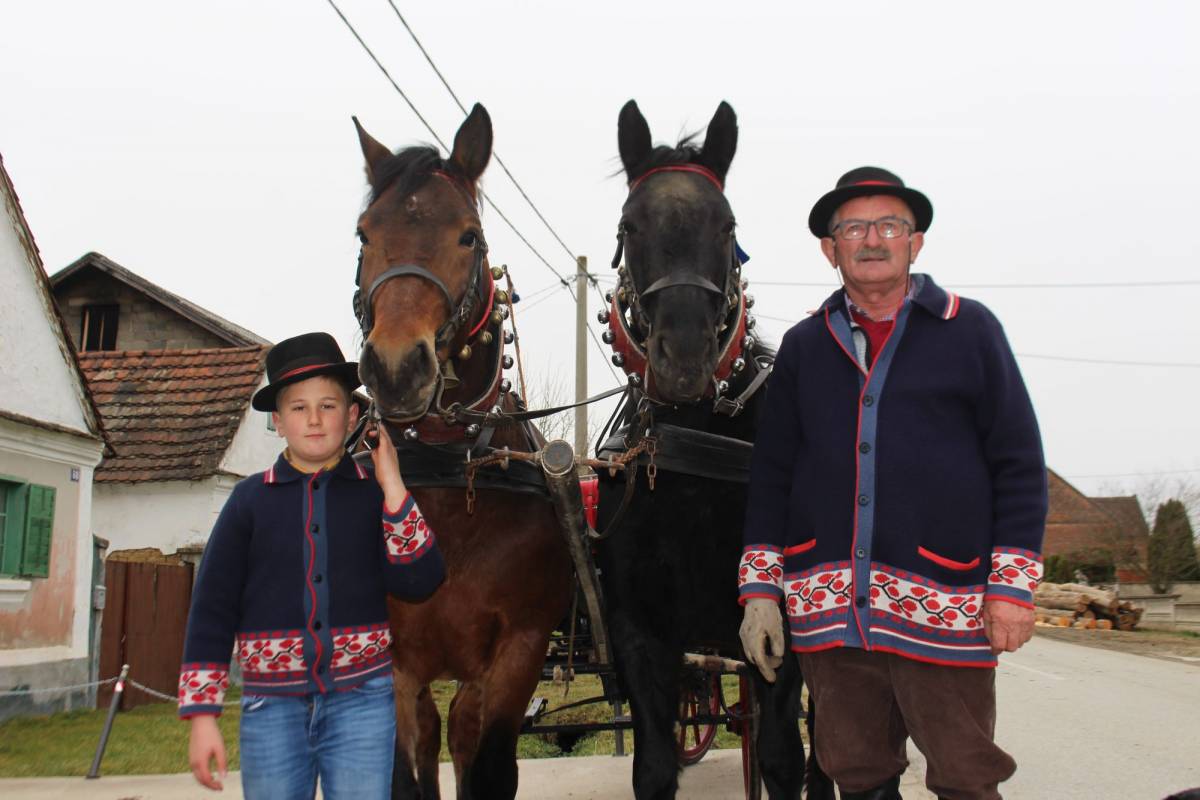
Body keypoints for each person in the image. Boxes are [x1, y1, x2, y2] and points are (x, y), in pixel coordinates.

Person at [738, 167, 1047, 800]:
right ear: (831, 248)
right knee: (856, 774)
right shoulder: (803, 347)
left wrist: (1012, 586)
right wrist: (760, 591)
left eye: (889, 226)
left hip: (945, 605)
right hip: (829, 613)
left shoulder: (971, 331)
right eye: (853, 227)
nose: (872, 239)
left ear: (916, 242)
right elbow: (772, 475)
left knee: (965, 774)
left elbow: (1018, 461)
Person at [178, 332, 445, 799]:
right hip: (271, 708)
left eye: (329, 405)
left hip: (363, 704)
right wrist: (203, 717)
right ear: (278, 422)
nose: (316, 419)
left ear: (353, 415)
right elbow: (211, 611)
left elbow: (421, 579)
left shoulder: (374, 496)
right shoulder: (249, 502)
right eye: (299, 408)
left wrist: (394, 486)